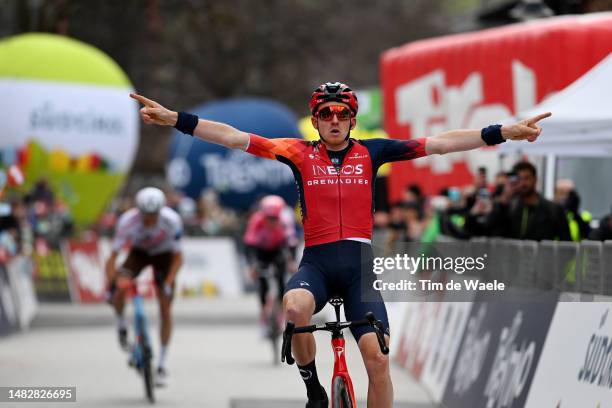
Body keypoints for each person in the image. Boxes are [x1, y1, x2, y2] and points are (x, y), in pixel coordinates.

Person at [130, 82, 550, 407]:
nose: (334, 120)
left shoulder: (374, 151)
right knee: (293, 309)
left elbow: (440, 143)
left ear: (352, 119)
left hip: (360, 269)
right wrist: (176, 120)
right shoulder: (295, 151)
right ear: (315, 121)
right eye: (326, 114)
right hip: (317, 263)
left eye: (342, 114)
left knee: (378, 360)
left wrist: (503, 132)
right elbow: (232, 137)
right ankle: (313, 388)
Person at [105, 187, 183, 387]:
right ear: (139, 211)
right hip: (138, 254)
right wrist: (113, 284)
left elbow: (178, 258)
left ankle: (162, 364)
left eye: (154, 215)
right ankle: (122, 323)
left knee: (165, 308)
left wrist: (168, 282)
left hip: (164, 257)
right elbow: (112, 258)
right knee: (120, 286)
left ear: (161, 210)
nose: (150, 220)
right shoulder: (127, 221)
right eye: (146, 215)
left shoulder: (172, 220)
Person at [243, 195, 297, 333]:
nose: (271, 221)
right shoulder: (256, 220)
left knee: (281, 282)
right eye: (268, 217)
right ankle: (263, 316)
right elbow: (249, 246)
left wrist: (291, 262)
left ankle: (280, 314)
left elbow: (291, 244)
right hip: (261, 252)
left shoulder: (285, 221)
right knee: (262, 284)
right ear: (263, 214)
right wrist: (252, 266)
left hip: (277, 250)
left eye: (275, 218)